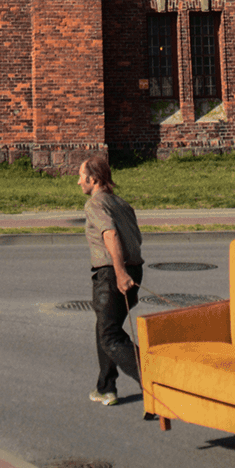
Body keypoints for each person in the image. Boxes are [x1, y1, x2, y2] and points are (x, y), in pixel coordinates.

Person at [78, 152, 143, 406]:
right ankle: (106, 387)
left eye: (81, 177)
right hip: (134, 269)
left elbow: (110, 234)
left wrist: (119, 272)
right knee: (105, 328)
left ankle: (153, 378)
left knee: (110, 335)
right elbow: (137, 239)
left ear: (93, 179)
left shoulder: (95, 204)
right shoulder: (122, 204)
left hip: (111, 273)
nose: (78, 182)